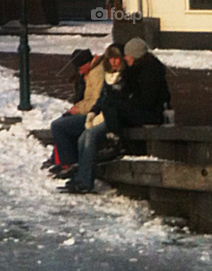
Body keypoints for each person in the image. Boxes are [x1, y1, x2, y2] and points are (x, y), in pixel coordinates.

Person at [59, 38, 171, 195]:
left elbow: (145, 100)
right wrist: (95, 110)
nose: (120, 60)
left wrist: (122, 100)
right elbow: (108, 97)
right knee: (84, 136)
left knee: (90, 135)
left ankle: (86, 179)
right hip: (117, 114)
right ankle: (81, 176)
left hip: (134, 116)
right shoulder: (127, 71)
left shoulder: (144, 72)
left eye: (123, 57)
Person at [42, 48, 98, 175]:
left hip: (94, 114)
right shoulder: (89, 74)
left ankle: (68, 163)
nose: (79, 72)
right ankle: (58, 159)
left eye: (79, 68)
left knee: (59, 126)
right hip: (89, 111)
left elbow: (95, 101)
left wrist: (79, 109)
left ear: (86, 64)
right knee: (62, 120)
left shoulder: (95, 74)